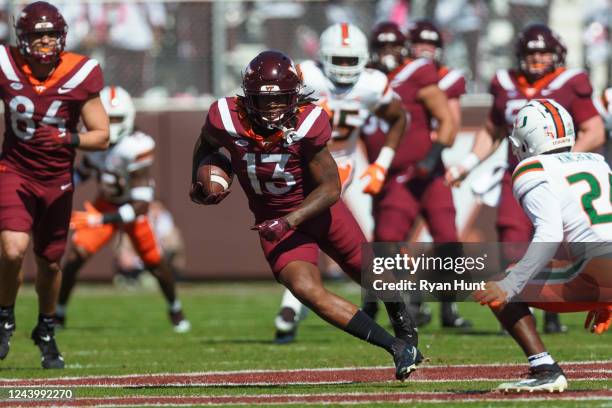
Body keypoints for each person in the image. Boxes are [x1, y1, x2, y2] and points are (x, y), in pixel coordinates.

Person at [190, 50, 421, 381]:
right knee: (306, 290)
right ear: (248, 98)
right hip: (273, 219)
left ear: (293, 96)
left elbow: (330, 189)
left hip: (316, 210)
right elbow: (206, 144)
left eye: (278, 100)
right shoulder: (225, 117)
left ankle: (404, 324)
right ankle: (398, 348)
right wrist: (199, 179)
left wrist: (288, 220)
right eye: (263, 100)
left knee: (370, 273)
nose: (271, 109)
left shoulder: (308, 122)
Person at [446, 23, 605, 334]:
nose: (537, 59)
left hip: (557, 175)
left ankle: (547, 315)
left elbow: (594, 130)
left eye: (544, 52)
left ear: (557, 55)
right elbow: (493, 131)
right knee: (513, 238)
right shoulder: (504, 82)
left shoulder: (572, 81)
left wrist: (562, 163)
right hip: (519, 173)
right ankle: (522, 307)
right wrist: (466, 165)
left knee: (557, 237)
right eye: (531, 53)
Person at [273, 22, 407, 343]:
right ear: (323, 56)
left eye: (351, 61)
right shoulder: (306, 75)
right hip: (298, 161)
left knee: (311, 225)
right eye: (339, 60)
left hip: (339, 165)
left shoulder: (373, 83)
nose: (345, 68)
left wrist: (381, 165)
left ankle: (293, 304)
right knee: (311, 229)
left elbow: (398, 118)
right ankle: (299, 300)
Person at [473, 99, 612, 392]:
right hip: (600, 265)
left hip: (598, 268)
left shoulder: (532, 169)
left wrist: (512, 285)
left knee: (500, 283)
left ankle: (544, 367)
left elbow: (548, 234)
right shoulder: (597, 161)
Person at [0, 1, 109, 369]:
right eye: (38, 35)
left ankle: (45, 328)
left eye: (50, 34)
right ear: (23, 38)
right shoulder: (6, 63)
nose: (45, 42)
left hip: (57, 179)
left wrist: (67, 140)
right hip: (14, 170)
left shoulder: (81, 72)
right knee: (13, 248)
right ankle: (4, 319)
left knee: (49, 264)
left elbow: (102, 135)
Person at [56, 86, 190, 334]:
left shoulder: (137, 147)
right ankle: (59, 313)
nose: (112, 124)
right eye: (108, 118)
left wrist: (101, 219)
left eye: (117, 118)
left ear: (129, 118)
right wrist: (58, 187)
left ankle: (175, 308)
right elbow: (84, 171)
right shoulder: (96, 140)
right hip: (105, 202)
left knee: (156, 264)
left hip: (131, 208)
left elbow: (140, 207)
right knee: (74, 257)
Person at [362, 20, 465, 328]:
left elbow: (447, 121)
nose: (389, 53)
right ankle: (381, 306)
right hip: (392, 176)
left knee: (448, 238)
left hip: (428, 172)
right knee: (385, 241)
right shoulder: (366, 79)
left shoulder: (417, 73)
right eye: (382, 47)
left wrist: (431, 157)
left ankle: (449, 310)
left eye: (394, 46)